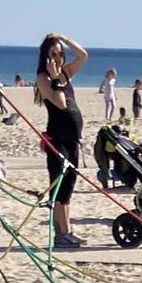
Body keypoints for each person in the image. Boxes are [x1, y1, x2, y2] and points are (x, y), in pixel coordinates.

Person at [35, 33, 89, 248]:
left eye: (60, 54)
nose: (57, 58)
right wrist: (55, 77)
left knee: (69, 186)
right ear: (45, 57)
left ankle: (67, 231)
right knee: (59, 185)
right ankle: (61, 234)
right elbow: (60, 103)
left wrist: (64, 38)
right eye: (53, 54)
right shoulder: (44, 78)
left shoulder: (65, 73)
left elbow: (83, 55)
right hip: (57, 139)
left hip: (72, 140)